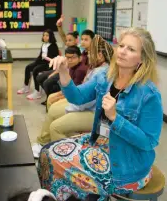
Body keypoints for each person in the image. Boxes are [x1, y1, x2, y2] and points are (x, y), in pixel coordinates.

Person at [38, 28, 162, 201]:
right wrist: (64, 73)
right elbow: (77, 97)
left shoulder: (149, 95)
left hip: (127, 166)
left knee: (56, 158)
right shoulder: (105, 76)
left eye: (131, 49)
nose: (123, 51)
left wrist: (115, 118)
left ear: (142, 59)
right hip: (100, 142)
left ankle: (89, 195)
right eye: (122, 46)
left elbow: (148, 142)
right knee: (46, 152)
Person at [32, 36, 114, 158]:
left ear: (100, 55)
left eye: (91, 53)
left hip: (93, 113)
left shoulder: (101, 73)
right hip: (84, 105)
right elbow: (82, 94)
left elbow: (84, 101)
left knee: (56, 127)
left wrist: (70, 108)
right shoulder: (97, 68)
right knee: (54, 109)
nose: (88, 56)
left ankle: (69, 158)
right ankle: (42, 143)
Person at [17, 29, 59, 100]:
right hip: (43, 62)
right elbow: (40, 56)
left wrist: (45, 58)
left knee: (35, 70)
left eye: (47, 35)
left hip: (49, 64)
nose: (45, 37)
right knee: (28, 67)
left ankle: (37, 92)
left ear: (51, 36)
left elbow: (53, 60)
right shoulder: (44, 44)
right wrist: (35, 62)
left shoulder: (53, 46)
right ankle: (26, 87)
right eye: (44, 35)